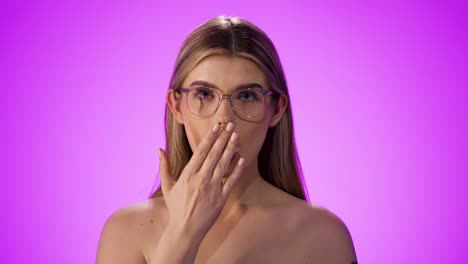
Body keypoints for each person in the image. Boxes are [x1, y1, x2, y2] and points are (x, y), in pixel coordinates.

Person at [96, 16, 358, 264]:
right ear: (176, 106)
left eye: (246, 96)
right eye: (204, 93)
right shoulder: (125, 231)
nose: (224, 120)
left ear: (276, 109)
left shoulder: (323, 235)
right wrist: (183, 233)